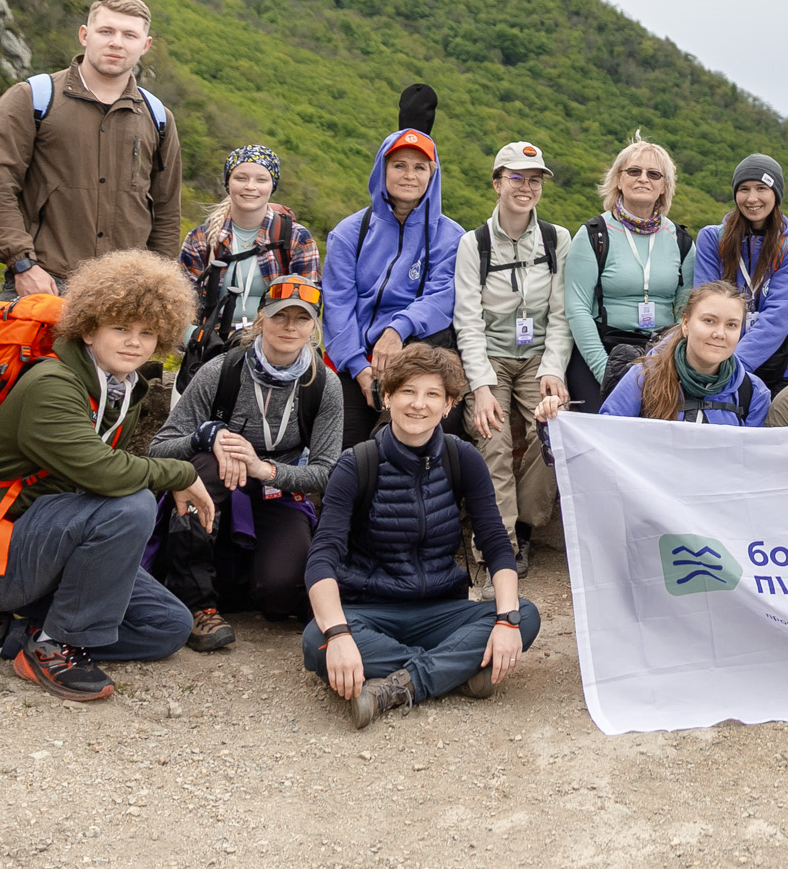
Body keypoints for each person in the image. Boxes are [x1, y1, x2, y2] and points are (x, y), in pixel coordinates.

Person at [0, 251, 209, 702]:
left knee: (167, 627)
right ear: (88, 328)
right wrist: (180, 472)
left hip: (42, 539)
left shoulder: (120, 386)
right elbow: (103, 474)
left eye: (148, 333)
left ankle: (5, 633)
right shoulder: (54, 384)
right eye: (121, 328)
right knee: (132, 504)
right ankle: (55, 646)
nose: (134, 343)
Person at [303, 342, 540, 729]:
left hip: (440, 609)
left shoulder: (462, 458)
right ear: (388, 396)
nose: (419, 404)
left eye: (433, 395)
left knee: (525, 614)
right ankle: (456, 669)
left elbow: (497, 544)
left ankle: (398, 684)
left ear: (448, 405)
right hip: (370, 609)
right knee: (318, 640)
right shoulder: (356, 463)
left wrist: (508, 620)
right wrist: (340, 633)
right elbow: (322, 556)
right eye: (408, 392)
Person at [148, 273, 340, 648]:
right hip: (216, 482)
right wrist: (207, 436)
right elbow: (159, 448)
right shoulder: (222, 371)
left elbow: (327, 471)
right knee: (201, 464)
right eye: (280, 315)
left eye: (302, 318)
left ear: (314, 327)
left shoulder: (323, 384)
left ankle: (238, 587)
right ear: (261, 318)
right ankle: (196, 604)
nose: (289, 326)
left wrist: (263, 469)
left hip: (277, 490)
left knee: (281, 590)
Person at [0, 0, 184, 298]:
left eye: (129, 35)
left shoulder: (158, 118)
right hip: (44, 285)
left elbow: (166, 212)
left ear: (145, 45)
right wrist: (23, 264)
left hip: (125, 293)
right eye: (106, 31)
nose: (117, 42)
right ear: (85, 35)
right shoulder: (33, 99)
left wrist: (155, 283)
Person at [452, 142, 574, 564]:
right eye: (516, 178)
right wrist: (481, 386)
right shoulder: (474, 244)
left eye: (534, 180)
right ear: (497, 183)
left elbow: (562, 314)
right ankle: (497, 542)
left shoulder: (557, 239)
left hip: (538, 355)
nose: (526, 187)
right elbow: (467, 321)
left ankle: (523, 525)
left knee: (556, 430)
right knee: (492, 435)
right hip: (491, 358)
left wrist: (555, 368)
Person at [322, 120, 463, 447]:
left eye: (419, 167)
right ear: (382, 169)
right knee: (346, 447)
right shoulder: (349, 233)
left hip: (421, 355)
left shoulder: (450, 236)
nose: (409, 175)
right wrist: (360, 369)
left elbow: (441, 298)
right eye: (399, 165)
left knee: (425, 437)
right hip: (356, 359)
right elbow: (338, 307)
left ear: (432, 174)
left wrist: (396, 330)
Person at [563, 134, 696, 414]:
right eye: (633, 171)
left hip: (660, 356)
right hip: (602, 351)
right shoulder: (593, 235)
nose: (643, 179)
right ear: (619, 180)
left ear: (664, 187)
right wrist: (606, 371)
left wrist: (665, 364)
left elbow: (685, 313)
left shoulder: (681, 241)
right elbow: (577, 309)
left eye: (654, 174)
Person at [176, 144, 318, 384]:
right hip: (209, 353)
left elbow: (310, 304)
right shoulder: (201, 238)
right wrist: (197, 337)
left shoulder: (294, 238)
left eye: (261, 179)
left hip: (275, 352)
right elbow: (178, 305)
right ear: (228, 182)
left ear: (272, 185)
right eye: (241, 177)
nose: (250, 187)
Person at [693, 152, 788, 393]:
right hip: (716, 359)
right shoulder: (713, 240)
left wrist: (733, 367)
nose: (752, 198)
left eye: (761, 188)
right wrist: (716, 364)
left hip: (780, 369)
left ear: (775, 194)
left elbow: (777, 317)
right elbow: (703, 305)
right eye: (744, 189)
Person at [602, 277, 775, 425]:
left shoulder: (753, 394)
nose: (720, 334)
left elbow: (751, 459)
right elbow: (608, 440)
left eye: (731, 325)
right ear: (685, 323)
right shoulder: (643, 377)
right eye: (709, 320)